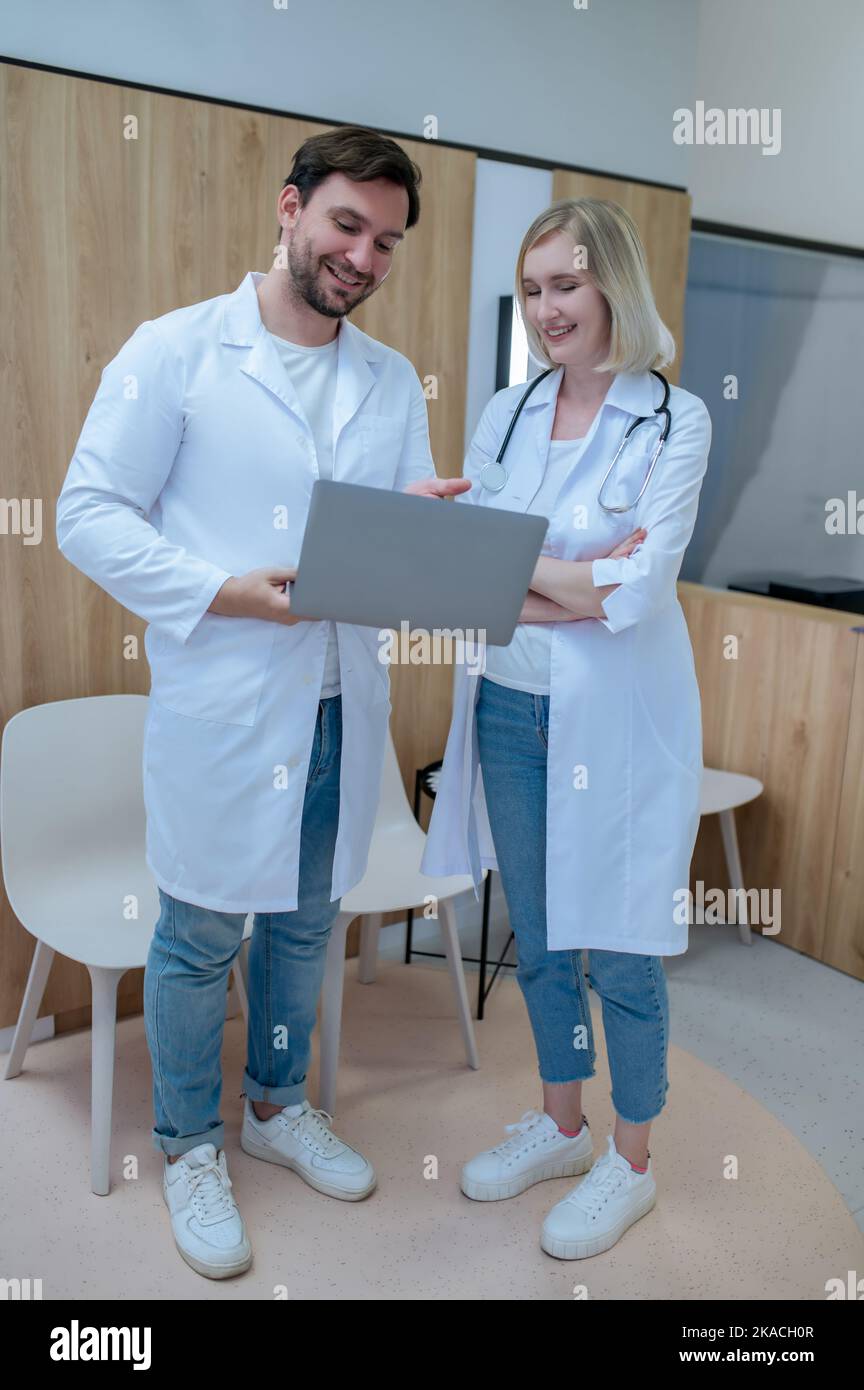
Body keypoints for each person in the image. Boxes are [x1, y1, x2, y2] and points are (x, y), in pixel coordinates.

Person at [55, 125, 468, 1280]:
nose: (364, 256)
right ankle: (190, 1145)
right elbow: (86, 515)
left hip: (342, 702)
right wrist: (219, 592)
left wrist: (426, 535)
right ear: (290, 209)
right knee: (197, 937)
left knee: (300, 924)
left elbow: (381, 538)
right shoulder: (175, 351)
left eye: (387, 242)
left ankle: (277, 1107)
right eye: (346, 224)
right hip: (227, 700)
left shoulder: (388, 380)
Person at [421, 197, 712, 1260]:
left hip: (617, 722)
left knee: (621, 943)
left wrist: (539, 578)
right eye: (534, 287)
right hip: (510, 697)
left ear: (612, 289)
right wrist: (571, 581)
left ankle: (628, 1163)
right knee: (538, 933)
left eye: (568, 285)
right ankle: (559, 1121)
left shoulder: (676, 419)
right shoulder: (504, 412)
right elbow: (472, 571)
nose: (548, 308)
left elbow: (634, 595)